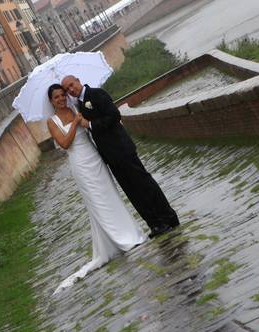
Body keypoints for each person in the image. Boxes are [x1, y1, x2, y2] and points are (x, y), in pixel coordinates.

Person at [46, 83, 147, 293]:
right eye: (57, 97)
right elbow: (64, 143)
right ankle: (117, 239)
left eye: (63, 95)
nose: (62, 99)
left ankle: (128, 232)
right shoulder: (52, 121)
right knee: (97, 201)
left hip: (94, 157)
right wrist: (74, 123)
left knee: (109, 195)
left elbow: (93, 123)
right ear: (51, 101)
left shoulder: (76, 107)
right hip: (80, 164)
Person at [61, 74, 179, 237]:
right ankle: (154, 224)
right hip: (110, 156)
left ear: (78, 81)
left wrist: (90, 124)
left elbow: (114, 116)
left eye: (71, 85)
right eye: (67, 89)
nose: (71, 90)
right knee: (131, 191)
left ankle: (169, 218)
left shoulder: (96, 94)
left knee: (144, 183)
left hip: (122, 149)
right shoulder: (79, 105)